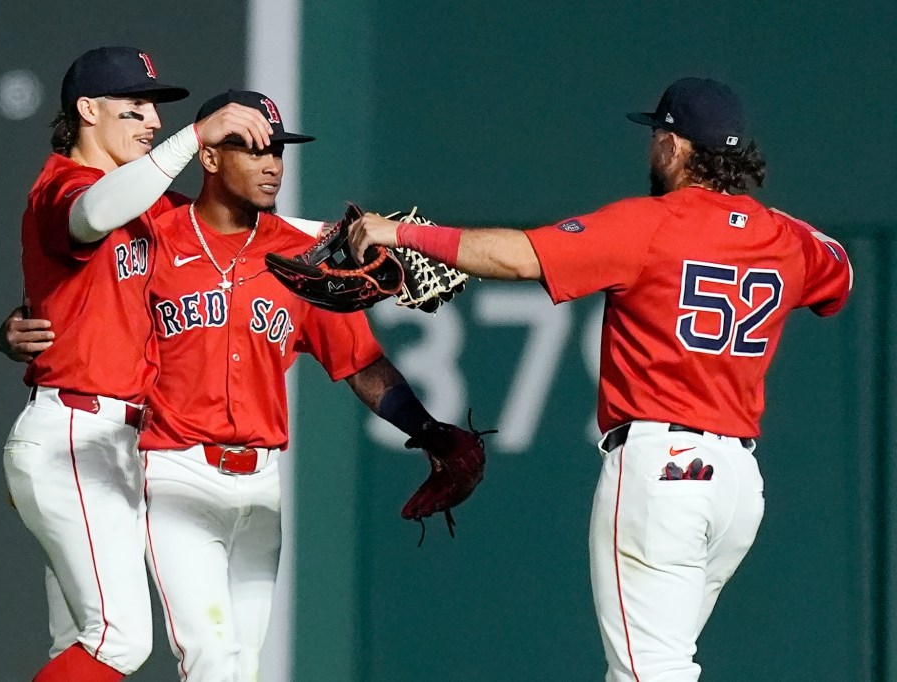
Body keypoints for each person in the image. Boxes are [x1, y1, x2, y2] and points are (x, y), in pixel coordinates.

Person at [347, 77, 853, 681]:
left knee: (652, 672)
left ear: (675, 146)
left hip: (662, 472)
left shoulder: (650, 224)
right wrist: (752, 214)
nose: (653, 149)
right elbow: (839, 275)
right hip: (737, 487)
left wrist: (403, 233)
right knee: (638, 667)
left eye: (659, 136)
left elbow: (520, 256)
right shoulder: (782, 238)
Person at [3, 89, 461, 682]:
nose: (271, 163)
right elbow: (78, 277)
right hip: (170, 469)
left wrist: (427, 430)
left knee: (238, 668)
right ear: (211, 159)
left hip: (260, 484)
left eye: (277, 151)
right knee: (182, 655)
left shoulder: (302, 261)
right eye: (250, 148)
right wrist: (15, 327)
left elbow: (361, 362)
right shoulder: (155, 231)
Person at [3, 46, 275, 682]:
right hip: (74, 432)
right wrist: (195, 136)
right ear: (88, 110)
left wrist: (358, 241)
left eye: (156, 107)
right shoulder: (61, 186)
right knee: (119, 641)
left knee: (83, 643)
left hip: (118, 444)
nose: (152, 119)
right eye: (136, 107)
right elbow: (94, 213)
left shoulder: (152, 204)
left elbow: (252, 239)